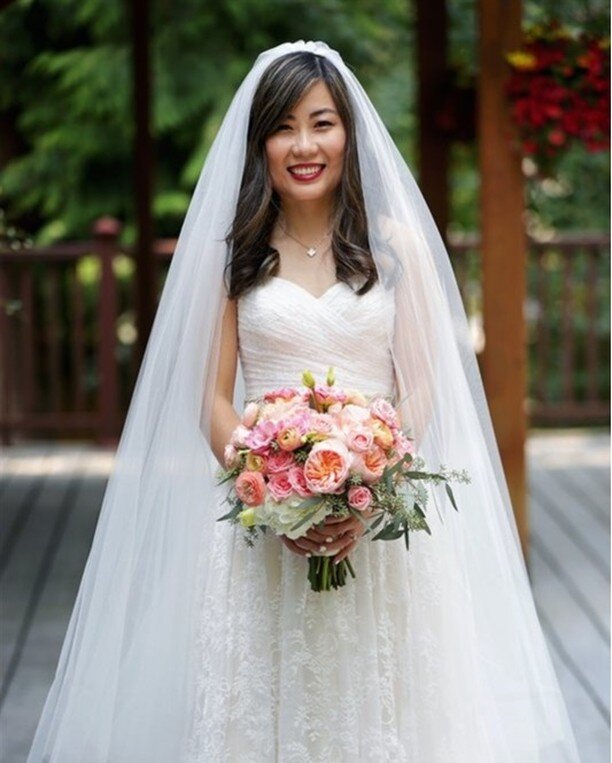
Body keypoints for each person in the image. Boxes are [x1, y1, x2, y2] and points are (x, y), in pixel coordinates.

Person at [27, 41, 580, 762]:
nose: (303, 144)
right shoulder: (236, 255)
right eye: (283, 127)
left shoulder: (395, 246)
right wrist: (269, 488)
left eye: (321, 122)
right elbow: (212, 398)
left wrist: (367, 486)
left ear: (348, 131)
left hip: (381, 532)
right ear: (260, 143)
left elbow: (420, 389)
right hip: (259, 533)